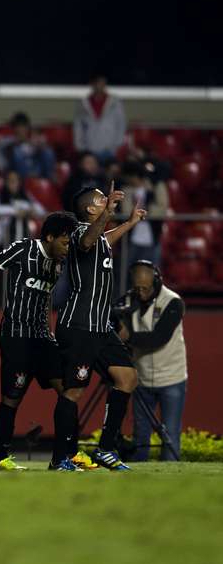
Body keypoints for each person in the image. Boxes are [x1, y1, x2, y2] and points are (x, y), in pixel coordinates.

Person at [0, 213, 93, 471]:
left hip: (43, 337)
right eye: (65, 242)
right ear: (49, 237)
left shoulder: (61, 261)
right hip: (16, 335)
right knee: (11, 398)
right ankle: (1, 459)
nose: (68, 248)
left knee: (69, 392)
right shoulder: (24, 248)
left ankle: (64, 457)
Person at [51, 183, 147, 471]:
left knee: (127, 377)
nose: (107, 201)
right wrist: (107, 215)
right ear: (90, 209)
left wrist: (129, 224)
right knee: (73, 392)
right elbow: (88, 242)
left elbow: (103, 239)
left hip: (100, 327)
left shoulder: (100, 236)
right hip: (79, 325)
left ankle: (106, 448)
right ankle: (61, 457)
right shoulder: (80, 232)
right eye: (101, 200)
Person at [117, 261, 187, 461]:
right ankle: (139, 476)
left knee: (170, 435)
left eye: (145, 288)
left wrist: (127, 336)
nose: (141, 293)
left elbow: (158, 338)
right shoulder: (132, 298)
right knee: (140, 434)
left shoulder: (173, 302)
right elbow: (116, 313)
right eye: (137, 288)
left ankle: (171, 476)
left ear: (157, 281)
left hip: (171, 377)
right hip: (143, 377)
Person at [120, 161, 168, 267]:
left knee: (152, 274)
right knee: (128, 273)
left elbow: (162, 209)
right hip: (132, 240)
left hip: (152, 240)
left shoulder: (155, 187)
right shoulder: (126, 191)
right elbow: (126, 212)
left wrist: (146, 210)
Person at [73, 75, 127, 162]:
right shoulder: (83, 103)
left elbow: (121, 124)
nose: (100, 86)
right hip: (90, 149)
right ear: (92, 84)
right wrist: (80, 146)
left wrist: (117, 145)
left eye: (102, 83)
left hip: (110, 150)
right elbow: (78, 126)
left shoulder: (115, 102)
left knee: (110, 175)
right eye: (98, 83)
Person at [0, 170, 45, 250]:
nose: (13, 184)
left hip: (24, 233)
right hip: (4, 237)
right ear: (6, 182)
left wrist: (30, 210)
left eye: (15, 181)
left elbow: (41, 210)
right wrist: (14, 211)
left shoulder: (25, 195)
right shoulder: (0, 195)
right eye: (11, 181)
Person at [0, 112, 56, 180]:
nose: (21, 129)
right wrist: (18, 141)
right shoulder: (7, 141)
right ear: (14, 128)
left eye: (24, 126)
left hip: (34, 170)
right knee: (17, 152)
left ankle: (48, 181)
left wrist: (39, 146)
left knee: (47, 152)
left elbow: (40, 154)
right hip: (15, 175)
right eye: (18, 126)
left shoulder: (33, 140)